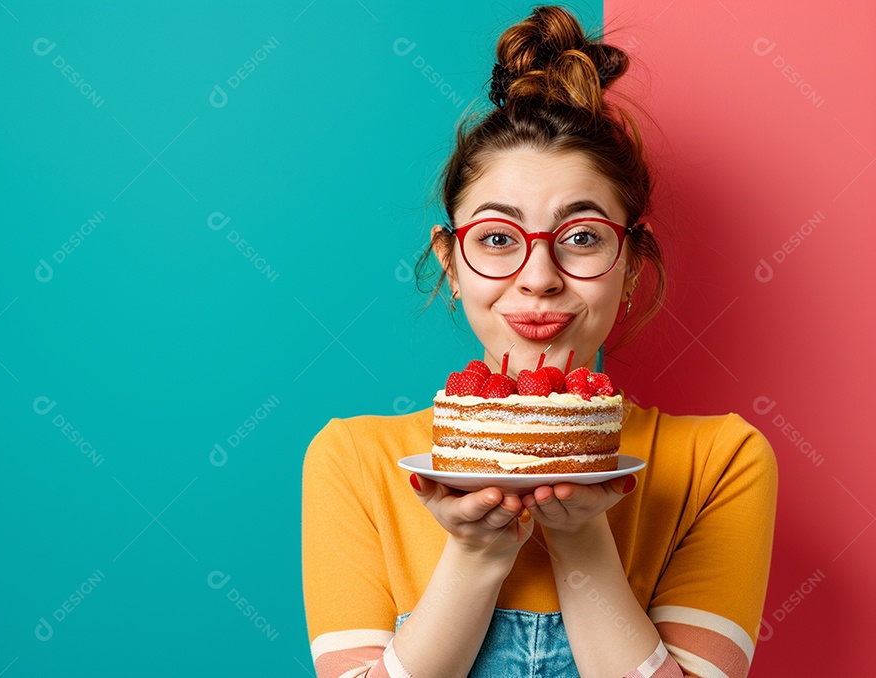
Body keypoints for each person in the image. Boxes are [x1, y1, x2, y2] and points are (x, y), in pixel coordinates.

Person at [301, 5, 777, 677]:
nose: (539, 279)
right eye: (498, 239)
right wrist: (475, 557)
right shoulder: (355, 462)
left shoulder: (721, 463)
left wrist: (580, 538)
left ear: (633, 260)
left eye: (581, 238)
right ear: (450, 260)